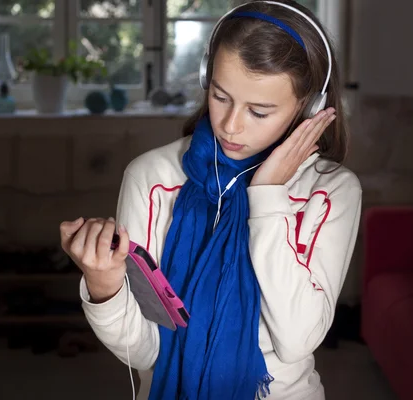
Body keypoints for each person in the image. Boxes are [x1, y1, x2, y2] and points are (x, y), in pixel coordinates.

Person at [59, 1, 362, 399]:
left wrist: (266, 196)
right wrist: (104, 284)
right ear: (206, 78)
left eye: (259, 111)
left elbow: (296, 340)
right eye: (221, 97)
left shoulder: (331, 192)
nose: (231, 125)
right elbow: (147, 351)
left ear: (309, 108)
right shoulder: (151, 177)